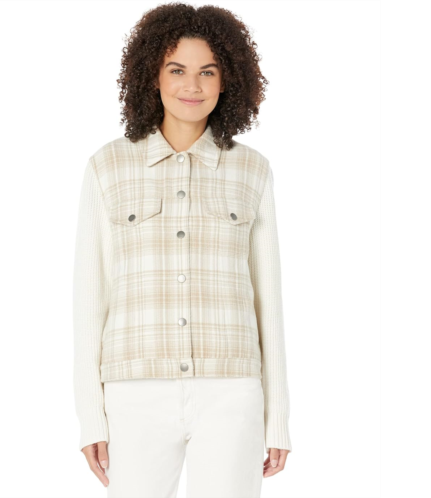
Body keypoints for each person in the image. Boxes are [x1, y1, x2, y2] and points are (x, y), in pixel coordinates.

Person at [73, 3, 292, 497]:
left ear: (227, 80)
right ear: (152, 75)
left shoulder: (252, 170)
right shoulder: (107, 166)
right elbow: (90, 298)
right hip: (134, 389)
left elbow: (268, 300)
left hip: (232, 390)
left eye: (207, 72)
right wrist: (91, 417)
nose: (192, 86)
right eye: (177, 70)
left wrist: (277, 417)